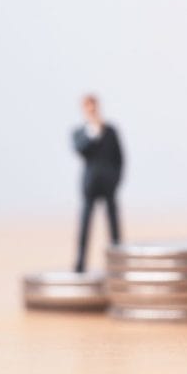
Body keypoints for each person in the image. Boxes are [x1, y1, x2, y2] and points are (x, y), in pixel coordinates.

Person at [72, 94, 124, 273]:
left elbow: (120, 158)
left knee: (113, 225)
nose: (92, 110)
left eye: (94, 107)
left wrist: (116, 180)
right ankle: (80, 264)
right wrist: (94, 132)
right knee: (85, 225)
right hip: (90, 185)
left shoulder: (110, 130)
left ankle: (118, 263)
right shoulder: (80, 132)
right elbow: (81, 150)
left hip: (109, 185)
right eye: (88, 108)